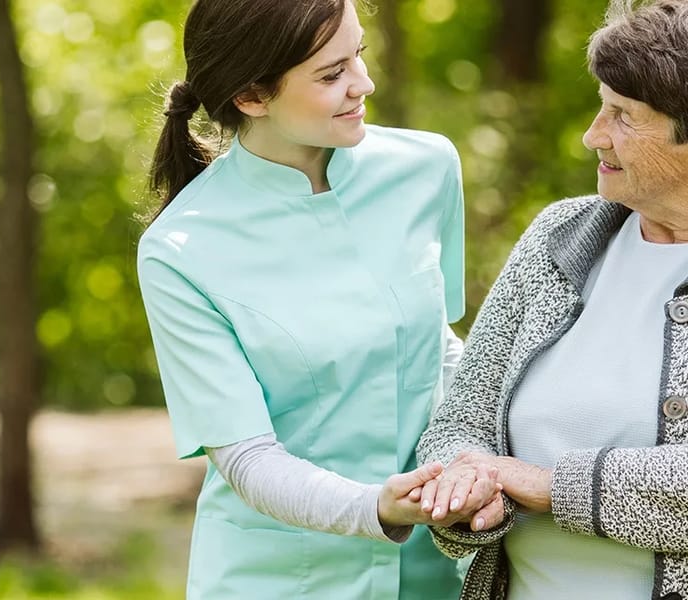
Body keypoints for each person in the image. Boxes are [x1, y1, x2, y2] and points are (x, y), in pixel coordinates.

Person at [136, 0, 501, 597]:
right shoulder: (179, 250)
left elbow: (437, 349)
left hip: (433, 570)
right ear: (251, 96)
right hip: (280, 581)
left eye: (359, 55)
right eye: (332, 75)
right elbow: (247, 458)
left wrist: (475, 457)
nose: (363, 83)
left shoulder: (427, 168)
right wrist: (376, 507)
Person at [415, 0, 688, 598]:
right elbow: (462, 419)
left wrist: (550, 486)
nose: (594, 135)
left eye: (622, 115)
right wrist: (468, 487)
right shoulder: (559, 237)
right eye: (601, 106)